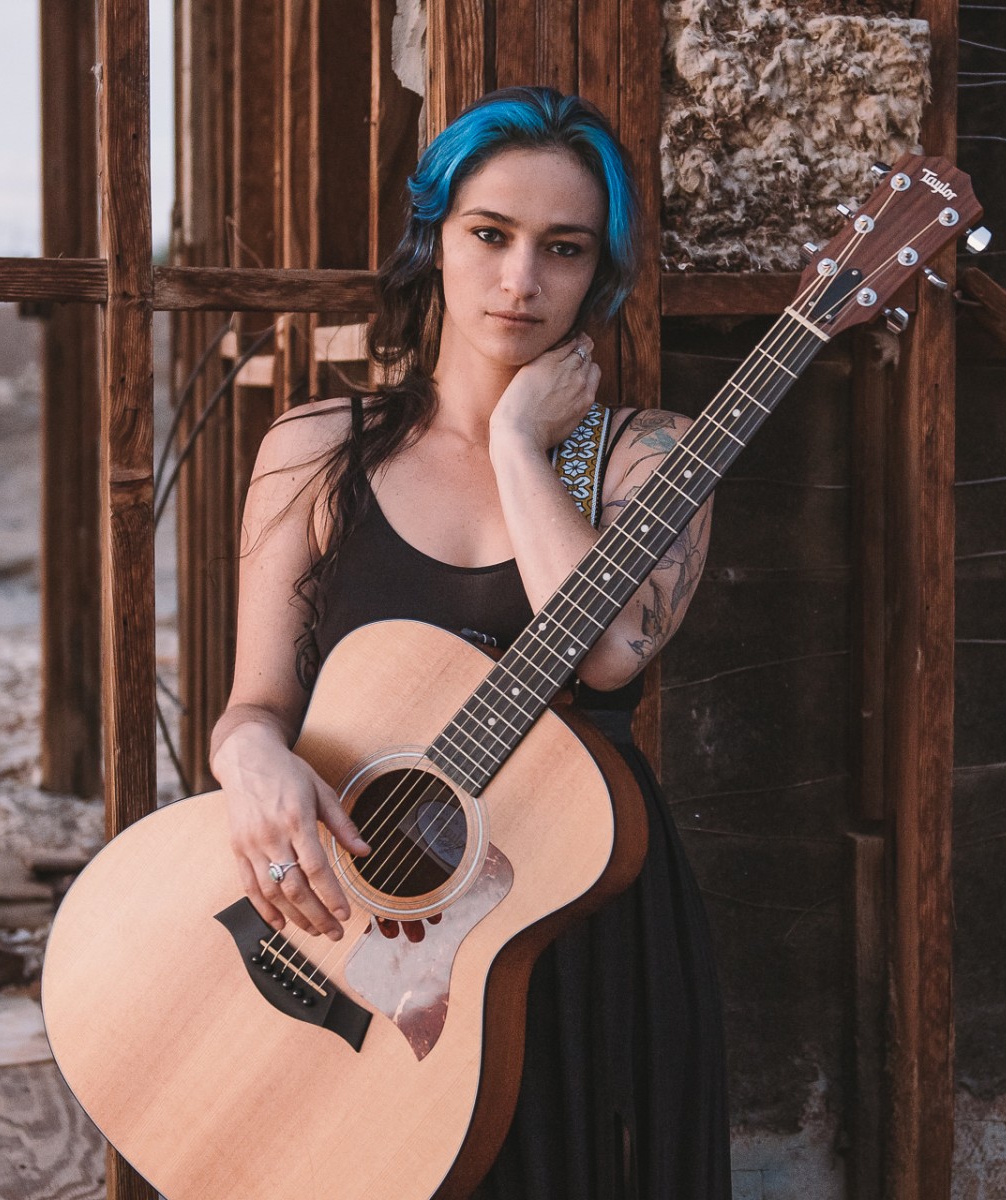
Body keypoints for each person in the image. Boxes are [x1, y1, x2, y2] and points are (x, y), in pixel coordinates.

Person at [205, 86, 732, 1199]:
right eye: (490, 234)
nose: (520, 280)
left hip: (569, 924)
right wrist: (245, 757)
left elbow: (607, 650)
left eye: (564, 249)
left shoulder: (651, 457)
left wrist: (516, 444)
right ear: (433, 238)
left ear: (599, 274)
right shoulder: (314, 450)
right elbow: (257, 703)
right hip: (354, 911)